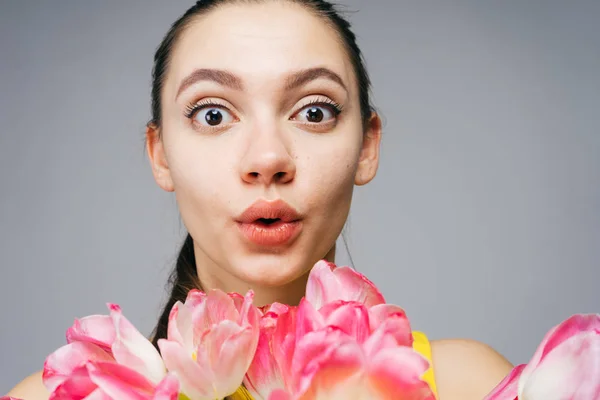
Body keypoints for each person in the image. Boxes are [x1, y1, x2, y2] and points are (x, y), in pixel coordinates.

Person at [6, 1, 514, 399]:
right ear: (160, 155)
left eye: (314, 112)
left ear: (367, 146)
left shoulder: (470, 387)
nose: (268, 157)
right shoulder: (65, 396)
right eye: (212, 114)